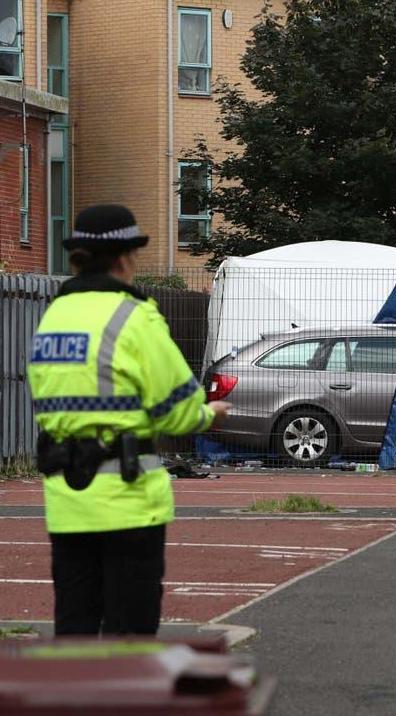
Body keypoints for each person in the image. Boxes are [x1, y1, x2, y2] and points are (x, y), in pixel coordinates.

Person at [26, 204, 231, 636]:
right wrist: (205, 413)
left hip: (66, 499)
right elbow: (175, 409)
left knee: (75, 628)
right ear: (122, 258)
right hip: (128, 500)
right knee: (130, 635)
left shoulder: (52, 318)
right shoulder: (134, 317)